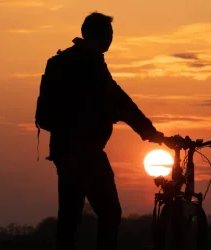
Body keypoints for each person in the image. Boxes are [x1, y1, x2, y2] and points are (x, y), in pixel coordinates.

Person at [40, 12, 164, 250]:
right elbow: (119, 102)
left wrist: (148, 131)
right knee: (109, 213)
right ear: (101, 35)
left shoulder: (78, 61)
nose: (111, 39)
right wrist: (149, 132)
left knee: (70, 217)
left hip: (65, 150)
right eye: (110, 34)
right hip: (84, 152)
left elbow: (118, 100)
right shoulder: (87, 65)